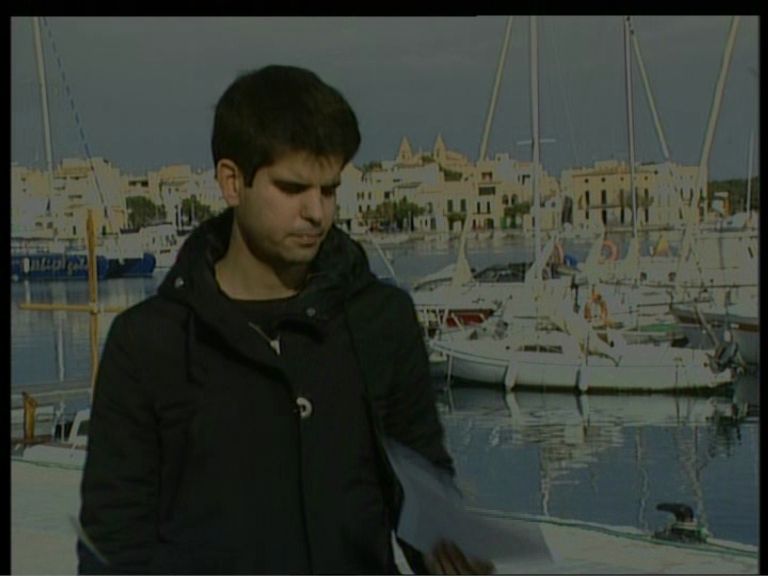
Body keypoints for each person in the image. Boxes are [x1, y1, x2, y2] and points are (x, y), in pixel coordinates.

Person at [77, 65, 494, 574]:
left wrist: (448, 551)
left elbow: (423, 488)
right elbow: (113, 541)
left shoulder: (382, 320)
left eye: (328, 189)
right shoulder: (148, 343)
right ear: (232, 182)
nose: (316, 212)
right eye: (293, 188)